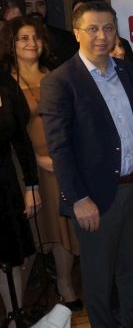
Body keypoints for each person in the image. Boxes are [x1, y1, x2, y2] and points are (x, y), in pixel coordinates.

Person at [39, 0, 133, 328]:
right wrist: (78, 198)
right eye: (92, 28)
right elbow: (60, 148)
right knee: (99, 275)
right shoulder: (60, 81)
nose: (101, 36)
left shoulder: (126, 70)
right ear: (77, 33)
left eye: (108, 28)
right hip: (94, 196)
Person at [3, 17, 81, 311]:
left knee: (62, 229)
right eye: (23, 38)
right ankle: (16, 308)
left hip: (61, 164)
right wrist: (37, 160)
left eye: (35, 37)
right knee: (30, 235)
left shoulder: (57, 75)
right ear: (11, 44)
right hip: (27, 169)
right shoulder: (6, 83)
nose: (31, 43)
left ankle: (66, 286)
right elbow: (10, 134)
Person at [0, 51, 41, 326]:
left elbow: (21, 140)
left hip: (4, 182)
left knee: (10, 256)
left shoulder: (5, 83)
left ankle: (14, 317)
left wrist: (31, 184)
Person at [19, 0, 79, 66]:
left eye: (40, 4)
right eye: (28, 6)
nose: (35, 10)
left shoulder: (66, 39)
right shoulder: (13, 41)